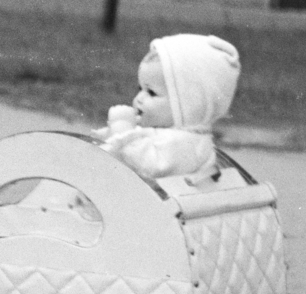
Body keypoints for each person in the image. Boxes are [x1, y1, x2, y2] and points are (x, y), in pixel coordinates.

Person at [94, 34, 243, 187]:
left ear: (188, 104)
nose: (139, 98)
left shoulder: (185, 144)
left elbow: (147, 164)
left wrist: (121, 129)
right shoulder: (183, 137)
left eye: (151, 92)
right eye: (140, 89)